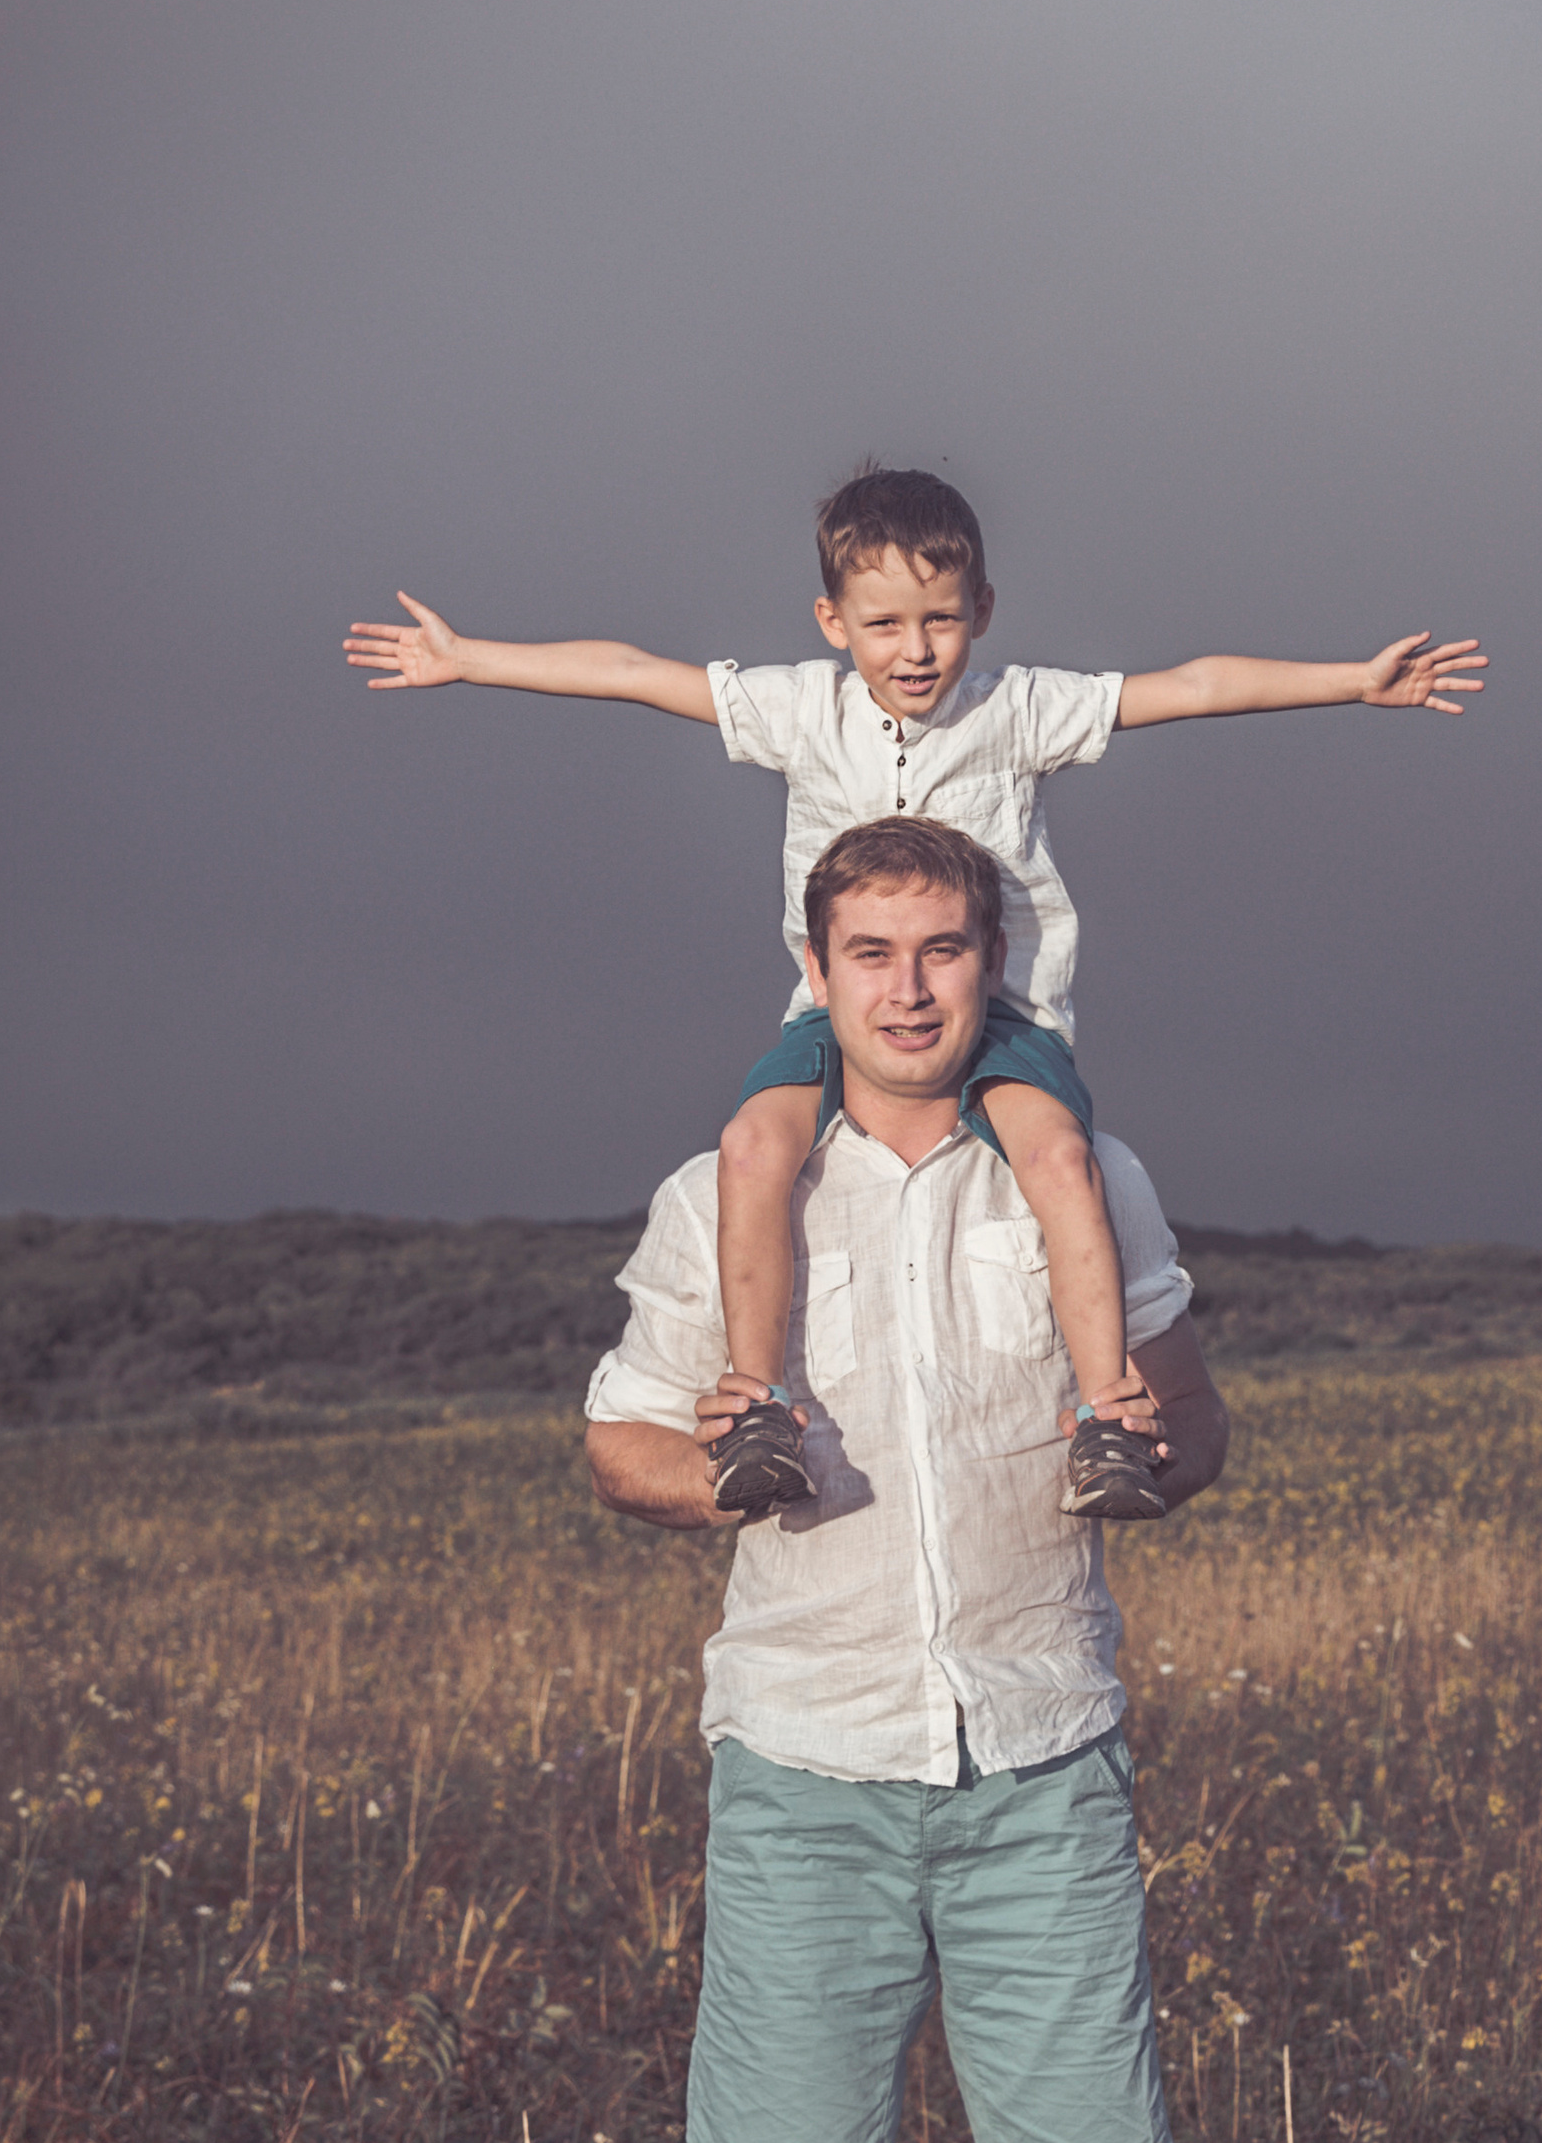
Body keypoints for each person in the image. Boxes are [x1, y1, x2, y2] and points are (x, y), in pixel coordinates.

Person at [581, 812, 1228, 2143]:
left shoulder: (1084, 1172)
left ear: (993, 954)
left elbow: (1199, 1428)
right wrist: (722, 1475)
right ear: (818, 969)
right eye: (872, 951)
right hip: (808, 1763)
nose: (912, 984)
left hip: (1042, 1750)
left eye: (944, 946)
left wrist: (1154, 1446)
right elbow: (616, 1442)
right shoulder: (729, 1193)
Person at [346, 463, 1478, 1522]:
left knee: (1059, 1160)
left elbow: (1187, 686)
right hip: (836, 1017)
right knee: (750, 1146)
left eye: (939, 617)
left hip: (1003, 1016)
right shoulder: (802, 711)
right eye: (883, 623)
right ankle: (756, 1409)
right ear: (832, 623)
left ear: (981, 607)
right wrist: (470, 658)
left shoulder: (1018, 710)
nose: (916, 647)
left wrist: (1352, 683)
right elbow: (637, 673)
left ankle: (1104, 1420)